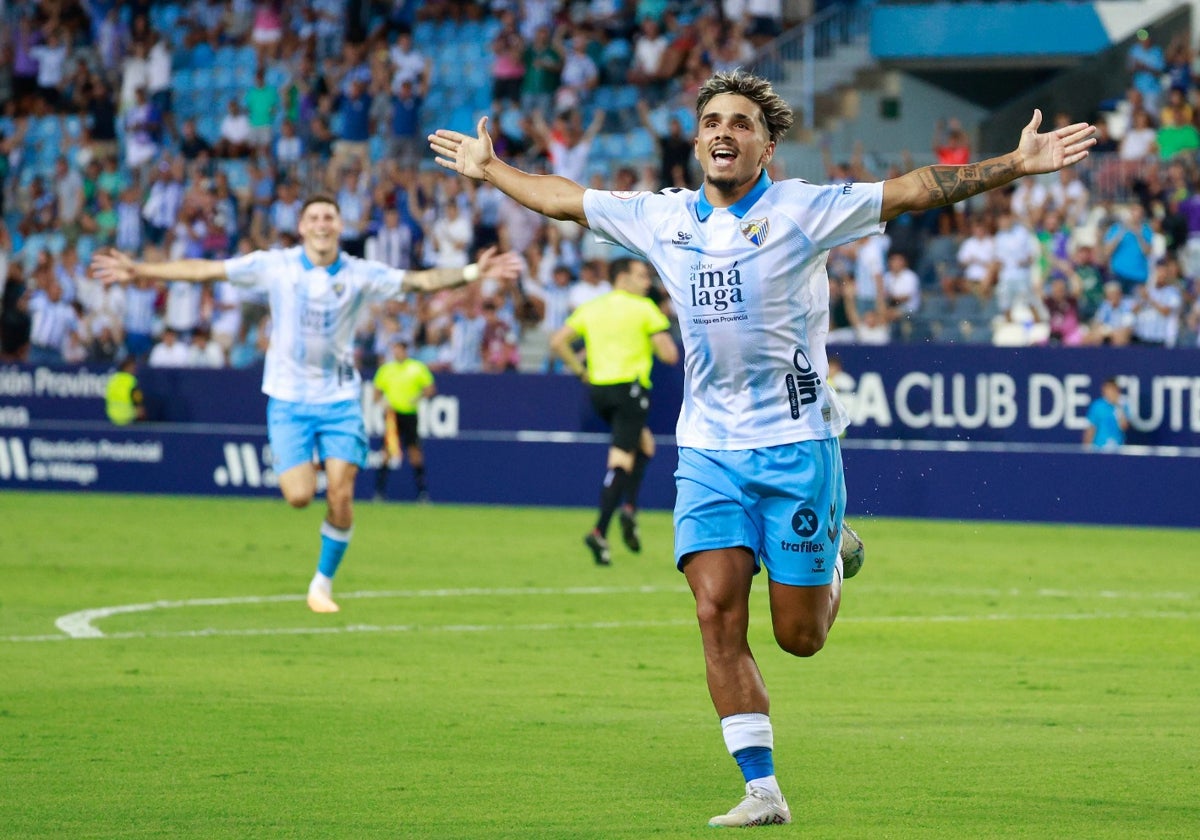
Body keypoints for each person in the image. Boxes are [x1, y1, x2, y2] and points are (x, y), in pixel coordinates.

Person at [430, 69, 1094, 828]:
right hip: (708, 450)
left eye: (741, 123)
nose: (723, 131)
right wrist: (490, 171)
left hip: (797, 446)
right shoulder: (661, 217)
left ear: (766, 145)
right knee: (716, 610)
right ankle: (762, 788)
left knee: (799, 638)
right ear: (696, 139)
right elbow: (561, 197)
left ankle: (837, 551)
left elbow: (915, 189)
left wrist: (1014, 164)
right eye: (713, 120)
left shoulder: (804, 209)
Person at [92, 195, 522, 614]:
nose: (321, 223)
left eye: (329, 217)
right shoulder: (274, 266)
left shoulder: (358, 273)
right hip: (288, 400)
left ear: (339, 225)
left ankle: (322, 582)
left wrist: (471, 271)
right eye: (314, 217)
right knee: (299, 496)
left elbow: (419, 281)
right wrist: (140, 269)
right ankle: (315, 469)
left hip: (338, 399)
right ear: (301, 227)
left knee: (341, 491)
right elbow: (205, 270)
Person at [549, 258, 679, 565]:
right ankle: (600, 530)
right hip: (630, 390)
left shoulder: (592, 307)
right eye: (641, 275)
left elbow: (557, 342)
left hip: (598, 391)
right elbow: (670, 355)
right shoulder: (644, 308)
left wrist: (581, 372)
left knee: (644, 445)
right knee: (621, 459)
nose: (647, 282)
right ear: (622, 278)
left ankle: (630, 510)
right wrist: (659, 328)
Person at [373, 339, 435, 502]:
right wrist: (383, 403)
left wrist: (418, 398)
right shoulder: (386, 370)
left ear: (406, 351)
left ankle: (422, 493)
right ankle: (379, 492)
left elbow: (429, 389)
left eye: (400, 349)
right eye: (395, 349)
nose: (397, 352)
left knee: (414, 452)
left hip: (409, 415)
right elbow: (376, 394)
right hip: (392, 416)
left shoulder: (417, 368)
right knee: (387, 451)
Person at [1084, 378, 1129, 450]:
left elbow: (1123, 426)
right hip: (1099, 449)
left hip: (1118, 450)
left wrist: (1118, 406)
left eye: (1112, 389)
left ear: (1117, 390)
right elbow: (1091, 429)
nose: (1110, 392)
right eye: (1108, 389)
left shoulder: (1123, 405)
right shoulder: (1097, 406)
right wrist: (1086, 449)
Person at [105, 356, 146, 425]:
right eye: (133, 367)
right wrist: (140, 409)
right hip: (128, 418)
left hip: (112, 418)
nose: (135, 369)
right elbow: (137, 398)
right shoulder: (131, 380)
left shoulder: (113, 379)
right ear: (127, 367)